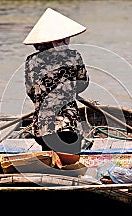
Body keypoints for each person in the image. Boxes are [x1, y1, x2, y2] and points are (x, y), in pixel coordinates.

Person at [23, 8, 89, 154]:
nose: (66, 41)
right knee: (69, 165)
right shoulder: (73, 56)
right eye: (61, 39)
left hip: (41, 128)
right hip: (67, 125)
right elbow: (83, 83)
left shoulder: (31, 61)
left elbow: (31, 92)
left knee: (52, 161)